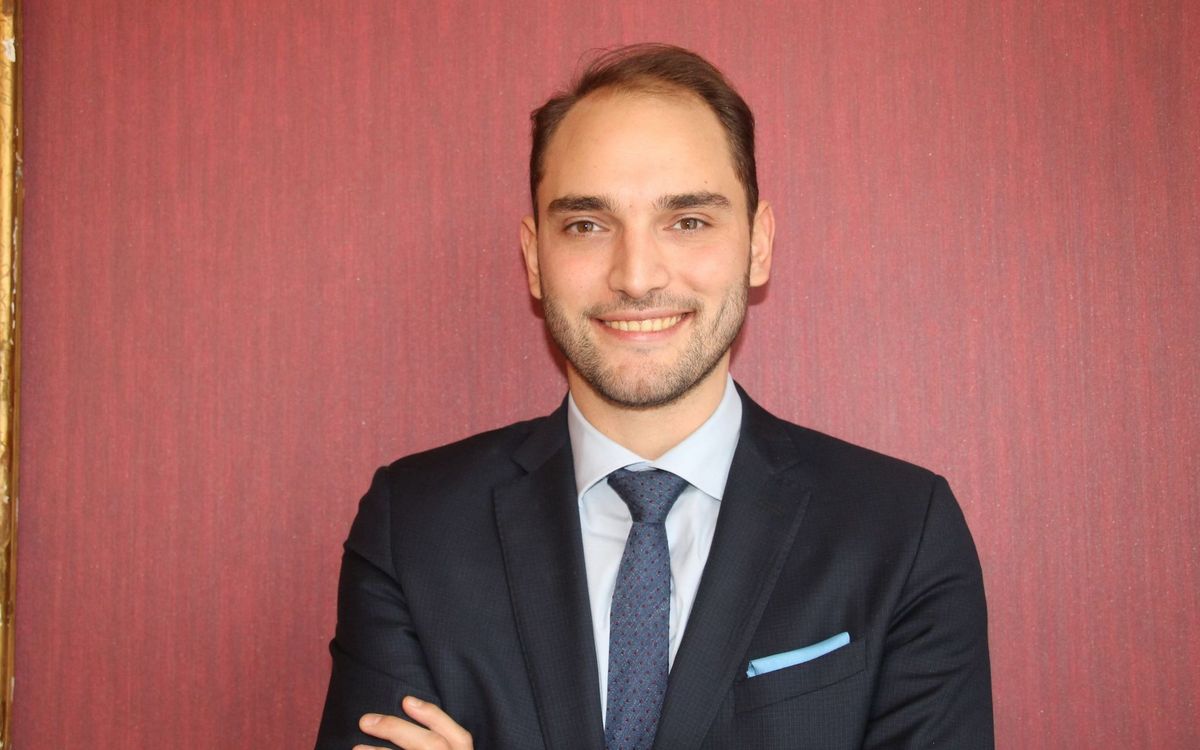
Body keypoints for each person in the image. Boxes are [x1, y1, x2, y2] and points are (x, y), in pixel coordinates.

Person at [315, 43, 993, 750]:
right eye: (587, 225)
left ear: (758, 245)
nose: (636, 276)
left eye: (688, 221)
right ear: (534, 258)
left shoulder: (900, 531)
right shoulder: (413, 526)